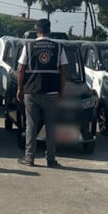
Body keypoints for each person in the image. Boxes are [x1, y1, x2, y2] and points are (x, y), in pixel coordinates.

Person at [16, 18, 67, 167]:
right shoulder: (59, 47)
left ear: (37, 31)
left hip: (31, 92)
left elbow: (21, 69)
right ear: (49, 31)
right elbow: (63, 71)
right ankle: (50, 159)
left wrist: (20, 88)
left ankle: (29, 158)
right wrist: (61, 90)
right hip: (52, 92)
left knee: (31, 125)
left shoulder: (28, 46)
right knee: (51, 126)